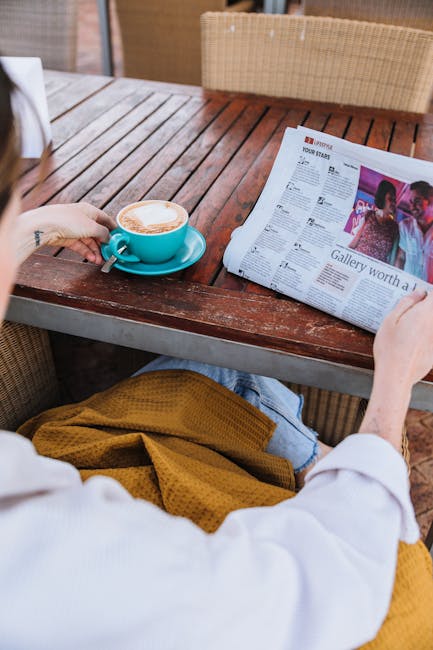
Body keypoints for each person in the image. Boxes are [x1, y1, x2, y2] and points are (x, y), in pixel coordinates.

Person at [0, 62, 432, 650]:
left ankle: (309, 454)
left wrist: (33, 224)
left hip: (61, 458)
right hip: (268, 569)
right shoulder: (64, 554)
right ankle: (316, 460)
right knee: (406, 575)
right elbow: (316, 585)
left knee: (225, 367)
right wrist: (393, 389)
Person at [349, 180, 399, 264]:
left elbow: (392, 258)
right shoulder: (369, 214)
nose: (394, 202)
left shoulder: (395, 227)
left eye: (395, 200)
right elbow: (355, 241)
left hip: (375, 270)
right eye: (391, 199)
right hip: (356, 261)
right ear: (382, 198)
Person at [395, 180, 433, 282]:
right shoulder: (405, 226)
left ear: (430, 200)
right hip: (407, 286)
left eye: (417, 201)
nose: (412, 207)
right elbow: (401, 258)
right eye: (411, 202)